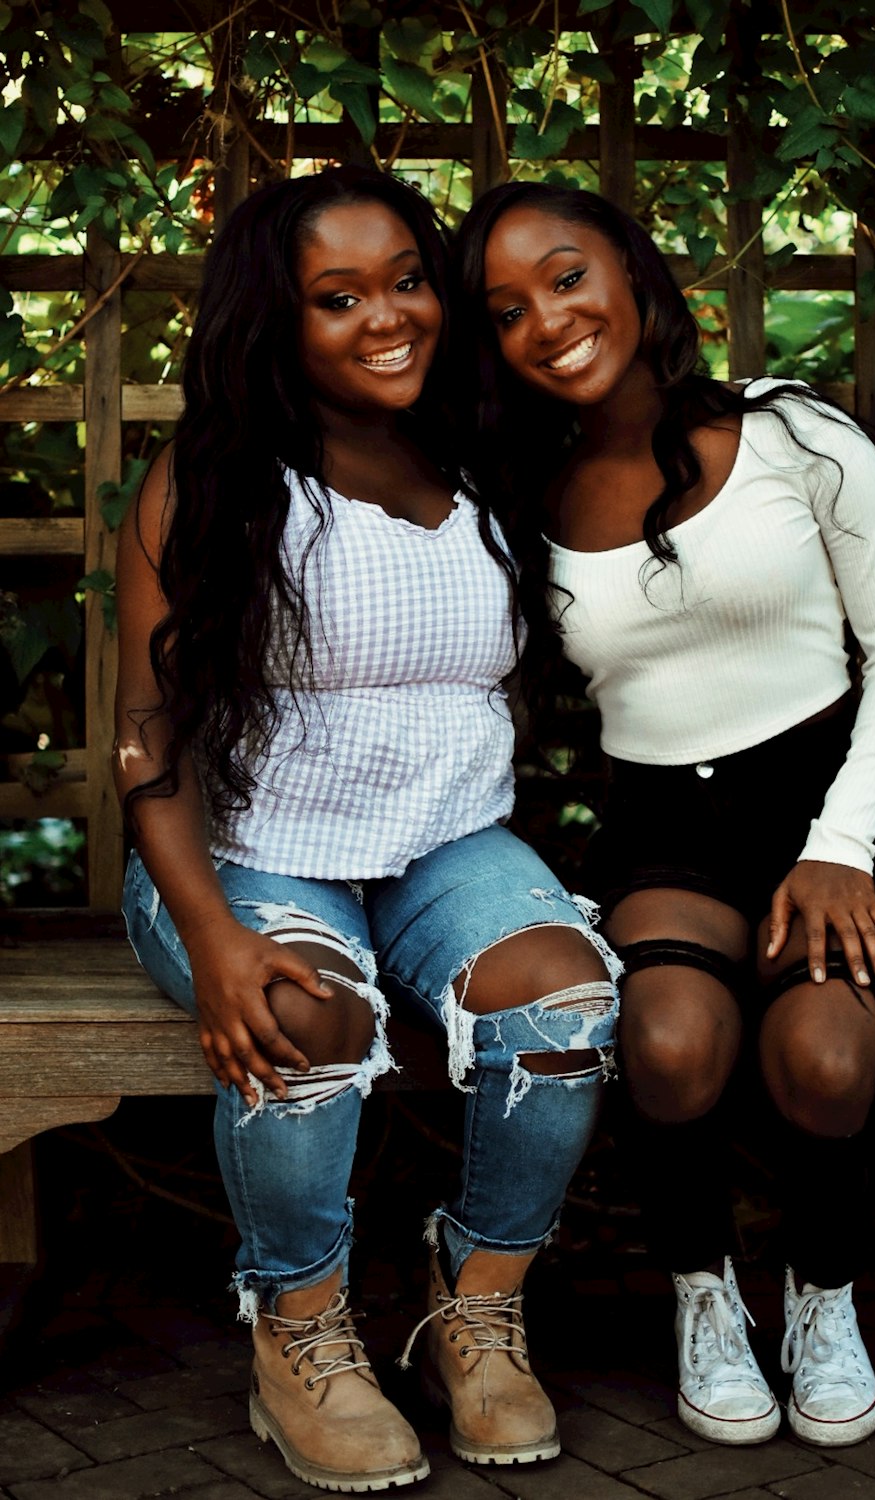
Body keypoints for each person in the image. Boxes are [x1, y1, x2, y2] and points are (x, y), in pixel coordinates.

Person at [113, 166, 620, 1493]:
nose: (388, 316)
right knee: (310, 1012)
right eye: (338, 298)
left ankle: (479, 1306)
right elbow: (147, 741)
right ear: (274, 322)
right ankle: (301, 1332)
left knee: (563, 1003)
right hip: (241, 851)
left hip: (444, 842)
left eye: (405, 280)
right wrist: (217, 939)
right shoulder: (214, 482)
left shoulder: (477, 452)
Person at [454, 182, 875, 1449]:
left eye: (566, 277)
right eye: (505, 309)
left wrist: (840, 849)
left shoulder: (796, 436)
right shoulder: (521, 498)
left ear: (629, 268)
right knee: (668, 1046)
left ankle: (822, 1299)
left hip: (826, 817)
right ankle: (704, 1296)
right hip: (663, 830)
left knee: (823, 1061)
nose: (548, 321)